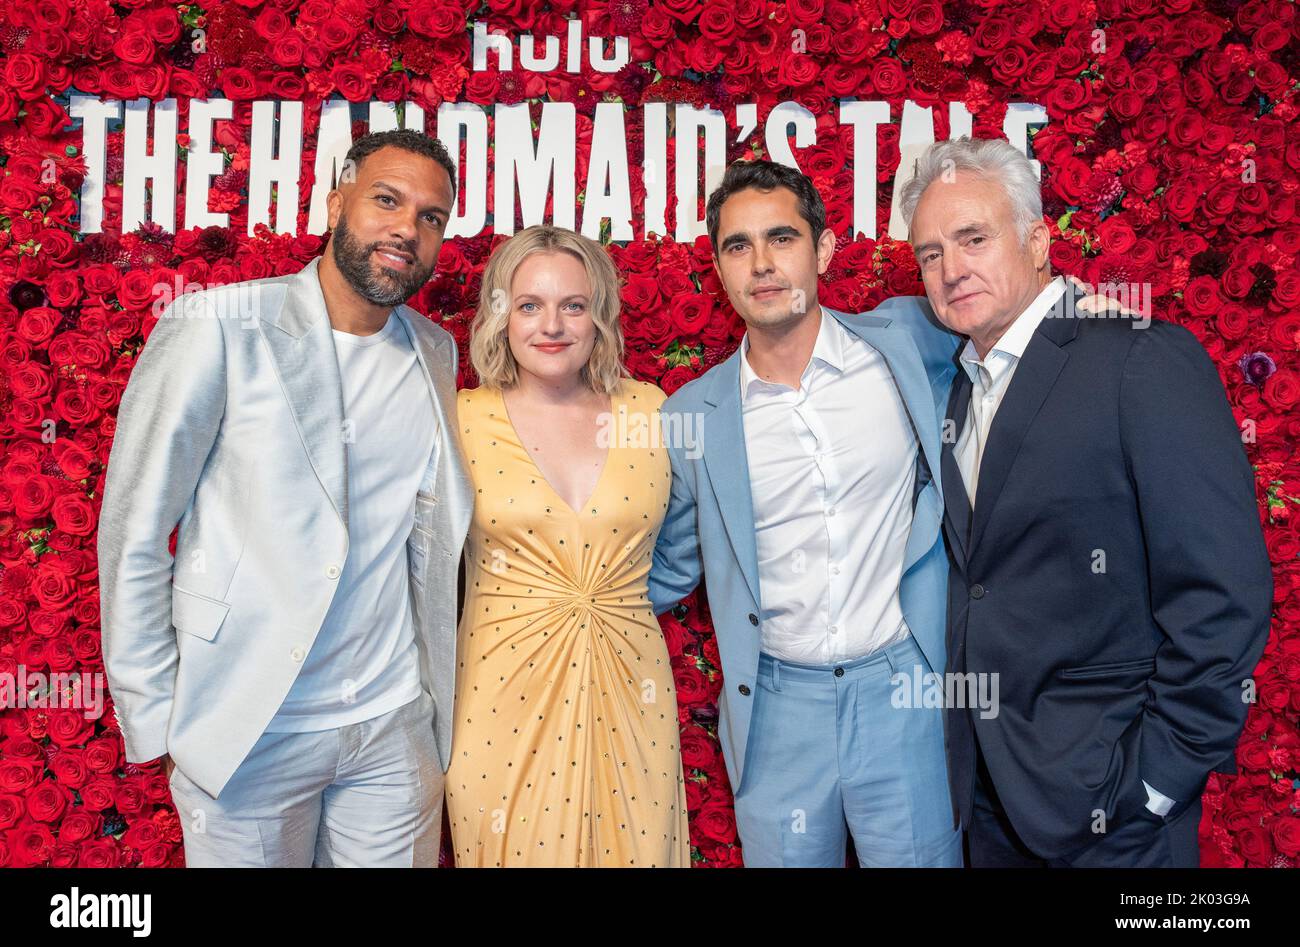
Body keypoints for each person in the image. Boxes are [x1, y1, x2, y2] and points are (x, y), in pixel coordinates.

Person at [99, 128, 473, 866]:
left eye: (431, 217)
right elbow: (135, 529)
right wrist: (163, 721)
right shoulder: (220, 326)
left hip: (393, 727)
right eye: (387, 200)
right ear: (337, 201)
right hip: (248, 730)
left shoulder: (434, 349)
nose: (407, 227)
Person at [899, 135, 1273, 866]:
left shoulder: (1138, 358)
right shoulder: (954, 384)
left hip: (1114, 805)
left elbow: (1223, 593)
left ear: (1038, 240)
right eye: (930, 254)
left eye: (973, 238)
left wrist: (1156, 782)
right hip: (985, 801)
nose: (950, 269)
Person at [649, 159, 963, 866]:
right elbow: (668, 568)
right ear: (720, 266)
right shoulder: (691, 416)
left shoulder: (908, 343)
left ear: (821, 250)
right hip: (777, 710)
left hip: (902, 690)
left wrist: (1081, 308)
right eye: (738, 245)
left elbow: (1005, 323)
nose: (762, 263)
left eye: (782, 237)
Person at [446, 224, 691, 867]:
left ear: (599, 316)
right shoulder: (460, 418)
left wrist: (614, 603)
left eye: (572, 305)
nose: (551, 325)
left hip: (631, 690)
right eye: (529, 305)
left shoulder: (651, 412)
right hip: (500, 699)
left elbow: (686, 546)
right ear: (501, 316)